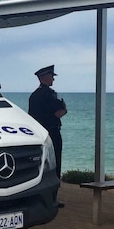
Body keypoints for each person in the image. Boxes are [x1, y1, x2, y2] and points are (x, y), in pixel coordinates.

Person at [28, 65, 67, 205]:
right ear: (46, 77)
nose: (53, 80)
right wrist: (64, 108)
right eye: (52, 77)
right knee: (55, 164)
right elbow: (59, 112)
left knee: (41, 165)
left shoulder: (33, 95)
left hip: (39, 135)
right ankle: (52, 198)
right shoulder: (50, 94)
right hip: (52, 132)